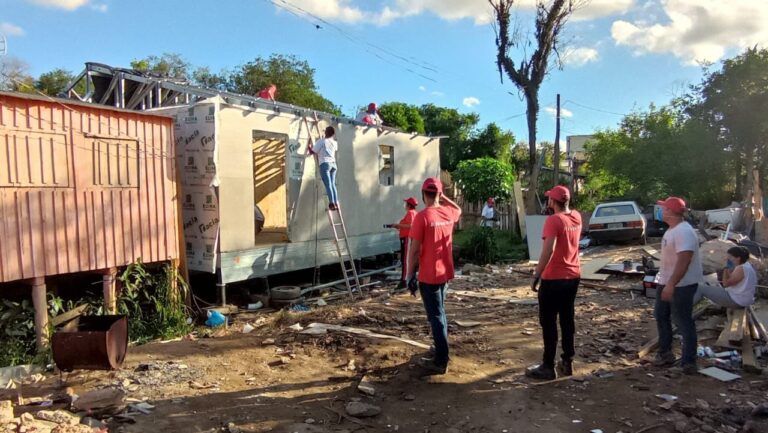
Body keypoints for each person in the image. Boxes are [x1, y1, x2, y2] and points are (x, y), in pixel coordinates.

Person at [406, 178, 462, 374]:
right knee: (440, 312)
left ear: (423, 195)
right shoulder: (448, 213)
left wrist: (409, 274)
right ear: (439, 194)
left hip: (429, 276)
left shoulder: (422, 217)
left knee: (436, 316)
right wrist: (444, 196)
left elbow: (413, 251)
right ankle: (441, 348)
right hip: (445, 273)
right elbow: (459, 209)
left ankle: (441, 360)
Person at [526, 185, 582, 381]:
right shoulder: (576, 217)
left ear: (552, 202)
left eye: (549, 199)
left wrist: (536, 274)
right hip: (573, 276)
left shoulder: (553, 221)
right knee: (567, 320)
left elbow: (548, 250)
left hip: (554, 279)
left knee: (548, 323)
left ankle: (548, 366)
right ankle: (568, 360)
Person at [653, 196, 703, 375]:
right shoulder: (672, 230)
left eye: (664, 208)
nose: (661, 210)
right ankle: (665, 353)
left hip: (681, 285)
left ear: (670, 212)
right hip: (667, 282)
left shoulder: (683, 231)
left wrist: (671, 284)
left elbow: (684, 260)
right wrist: (665, 282)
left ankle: (689, 361)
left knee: (682, 321)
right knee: (661, 316)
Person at [389, 197, 419, 290]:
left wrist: (398, 225)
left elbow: (410, 225)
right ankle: (410, 279)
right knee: (407, 260)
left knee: (405, 260)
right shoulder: (414, 213)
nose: (404, 205)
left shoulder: (410, 213)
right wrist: (398, 227)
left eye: (406, 203)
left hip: (407, 238)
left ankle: (404, 281)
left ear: (409, 205)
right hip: (406, 238)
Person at [308, 126, 339, 210]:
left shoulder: (321, 141)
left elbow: (312, 152)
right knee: (333, 185)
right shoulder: (334, 143)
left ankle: (332, 203)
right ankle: (336, 202)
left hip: (325, 164)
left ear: (326, 133)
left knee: (328, 184)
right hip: (333, 165)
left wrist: (309, 146)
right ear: (333, 134)